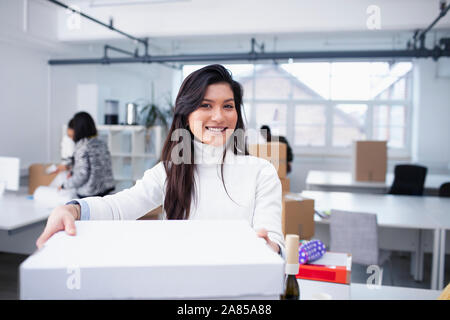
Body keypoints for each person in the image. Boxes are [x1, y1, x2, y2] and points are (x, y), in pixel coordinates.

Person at [36, 65, 285, 257]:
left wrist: (270, 247)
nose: (219, 116)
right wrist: (72, 209)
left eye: (228, 106)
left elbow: (273, 240)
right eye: (206, 105)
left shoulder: (261, 172)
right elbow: (120, 206)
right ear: (186, 115)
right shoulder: (170, 171)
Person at [58, 111, 115, 198]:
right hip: (107, 190)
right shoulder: (102, 143)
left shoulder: (82, 147)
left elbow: (82, 175)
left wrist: (64, 185)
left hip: (90, 194)